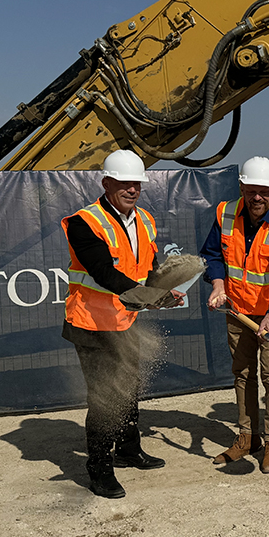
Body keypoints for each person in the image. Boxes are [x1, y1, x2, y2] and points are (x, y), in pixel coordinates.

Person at [62, 149, 183, 498]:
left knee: (129, 387)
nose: (132, 189)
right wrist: (147, 297)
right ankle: (99, 469)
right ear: (106, 183)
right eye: (124, 183)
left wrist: (164, 290)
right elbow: (102, 272)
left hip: (125, 319)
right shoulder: (85, 222)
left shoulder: (144, 220)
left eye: (137, 184)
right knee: (104, 397)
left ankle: (129, 449)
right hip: (91, 322)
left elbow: (150, 267)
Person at [200, 156, 269, 474]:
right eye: (252, 190)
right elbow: (212, 253)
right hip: (237, 310)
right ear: (241, 187)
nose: (258, 197)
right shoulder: (225, 213)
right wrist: (217, 284)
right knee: (242, 374)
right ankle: (247, 437)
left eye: (265, 192)